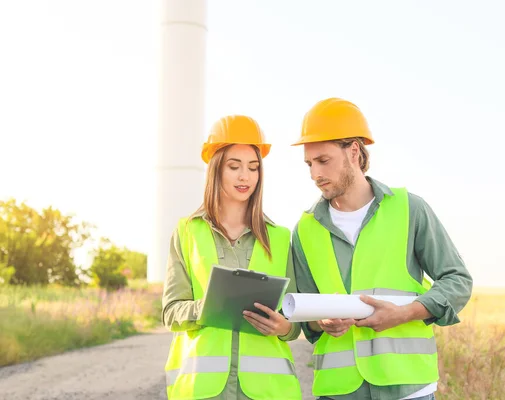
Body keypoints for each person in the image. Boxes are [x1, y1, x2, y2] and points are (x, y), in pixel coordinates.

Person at [290, 98, 473, 400]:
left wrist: (405, 313)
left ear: (353, 152)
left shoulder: (409, 209)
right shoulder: (305, 229)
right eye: (310, 164)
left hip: (407, 387)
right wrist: (321, 321)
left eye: (323, 161)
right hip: (339, 390)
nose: (315, 173)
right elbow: (307, 317)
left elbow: (457, 281)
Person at [162, 115, 303, 400]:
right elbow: (170, 313)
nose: (245, 176)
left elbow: (295, 317)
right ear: (216, 170)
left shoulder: (280, 237)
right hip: (203, 390)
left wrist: (285, 327)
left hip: (267, 392)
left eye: (253, 168)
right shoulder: (187, 231)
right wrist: (209, 306)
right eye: (234, 166)